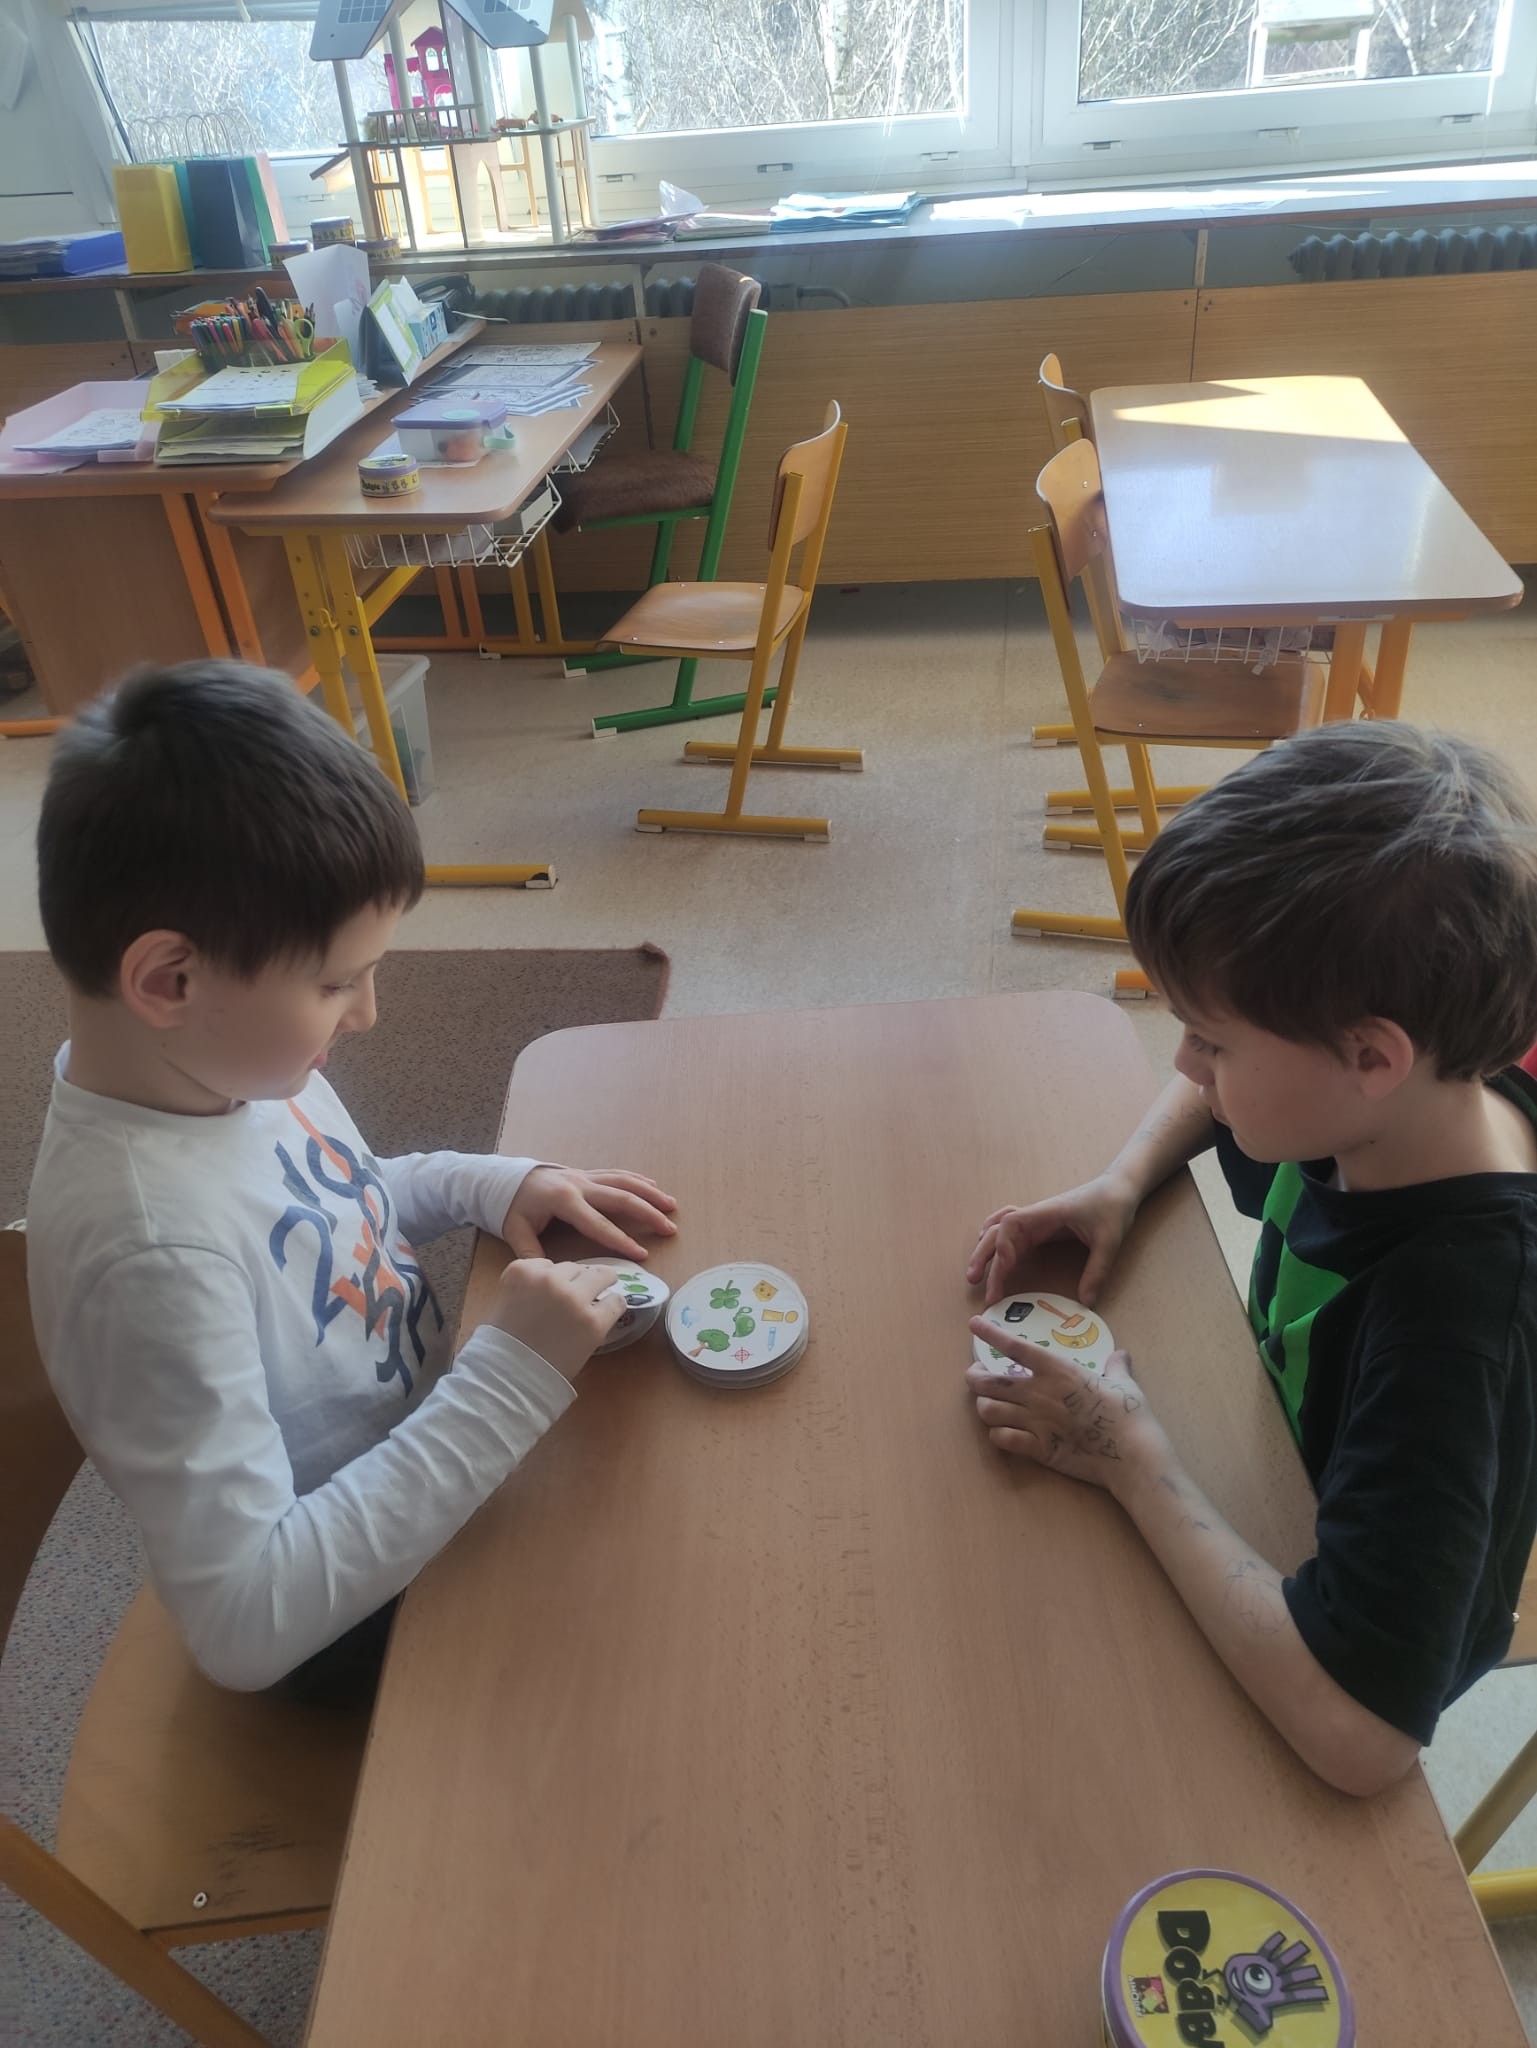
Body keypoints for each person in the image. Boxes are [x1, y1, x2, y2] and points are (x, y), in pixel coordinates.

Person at [27, 662, 678, 1701]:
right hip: (355, 1601)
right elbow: (246, 1623)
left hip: (426, 1453)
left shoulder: (223, 1071)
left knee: (663, 1448)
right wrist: (509, 1377)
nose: (368, 1013)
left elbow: (340, 1199)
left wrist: (487, 1183)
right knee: (668, 1597)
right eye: (335, 981)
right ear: (170, 980)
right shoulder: (148, 1256)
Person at [964, 721, 1537, 1796]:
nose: (1183, 1065)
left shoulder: (1454, 1337)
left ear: (1370, 1055)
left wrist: (1125, 1452)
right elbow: (1236, 1076)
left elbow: (1362, 1736)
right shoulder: (1390, 1098)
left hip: (1381, 1575)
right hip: (1286, 1459)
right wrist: (1123, 1177)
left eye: (1210, 1041)